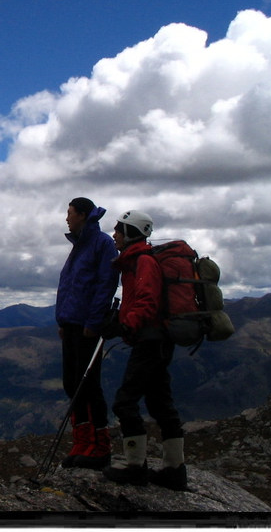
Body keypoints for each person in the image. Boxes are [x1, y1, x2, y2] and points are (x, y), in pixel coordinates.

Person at [102, 210, 188, 490]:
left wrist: (124, 326)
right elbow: (141, 300)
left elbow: (147, 301)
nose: (114, 234)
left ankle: (135, 467)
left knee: (125, 402)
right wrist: (122, 320)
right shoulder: (136, 261)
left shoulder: (143, 261)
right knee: (160, 402)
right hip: (158, 339)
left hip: (150, 341)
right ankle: (174, 470)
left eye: (119, 229)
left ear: (130, 233)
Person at [55, 197, 119, 470]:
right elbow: (70, 286)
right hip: (72, 324)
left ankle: (99, 446)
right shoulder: (79, 246)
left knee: (88, 385)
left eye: (70, 213)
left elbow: (106, 284)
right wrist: (63, 320)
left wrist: (93, 322)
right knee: (72, 383)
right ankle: (82, 443)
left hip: (87, 327)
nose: (66, 218)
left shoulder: (102, 244)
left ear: (82, 215)